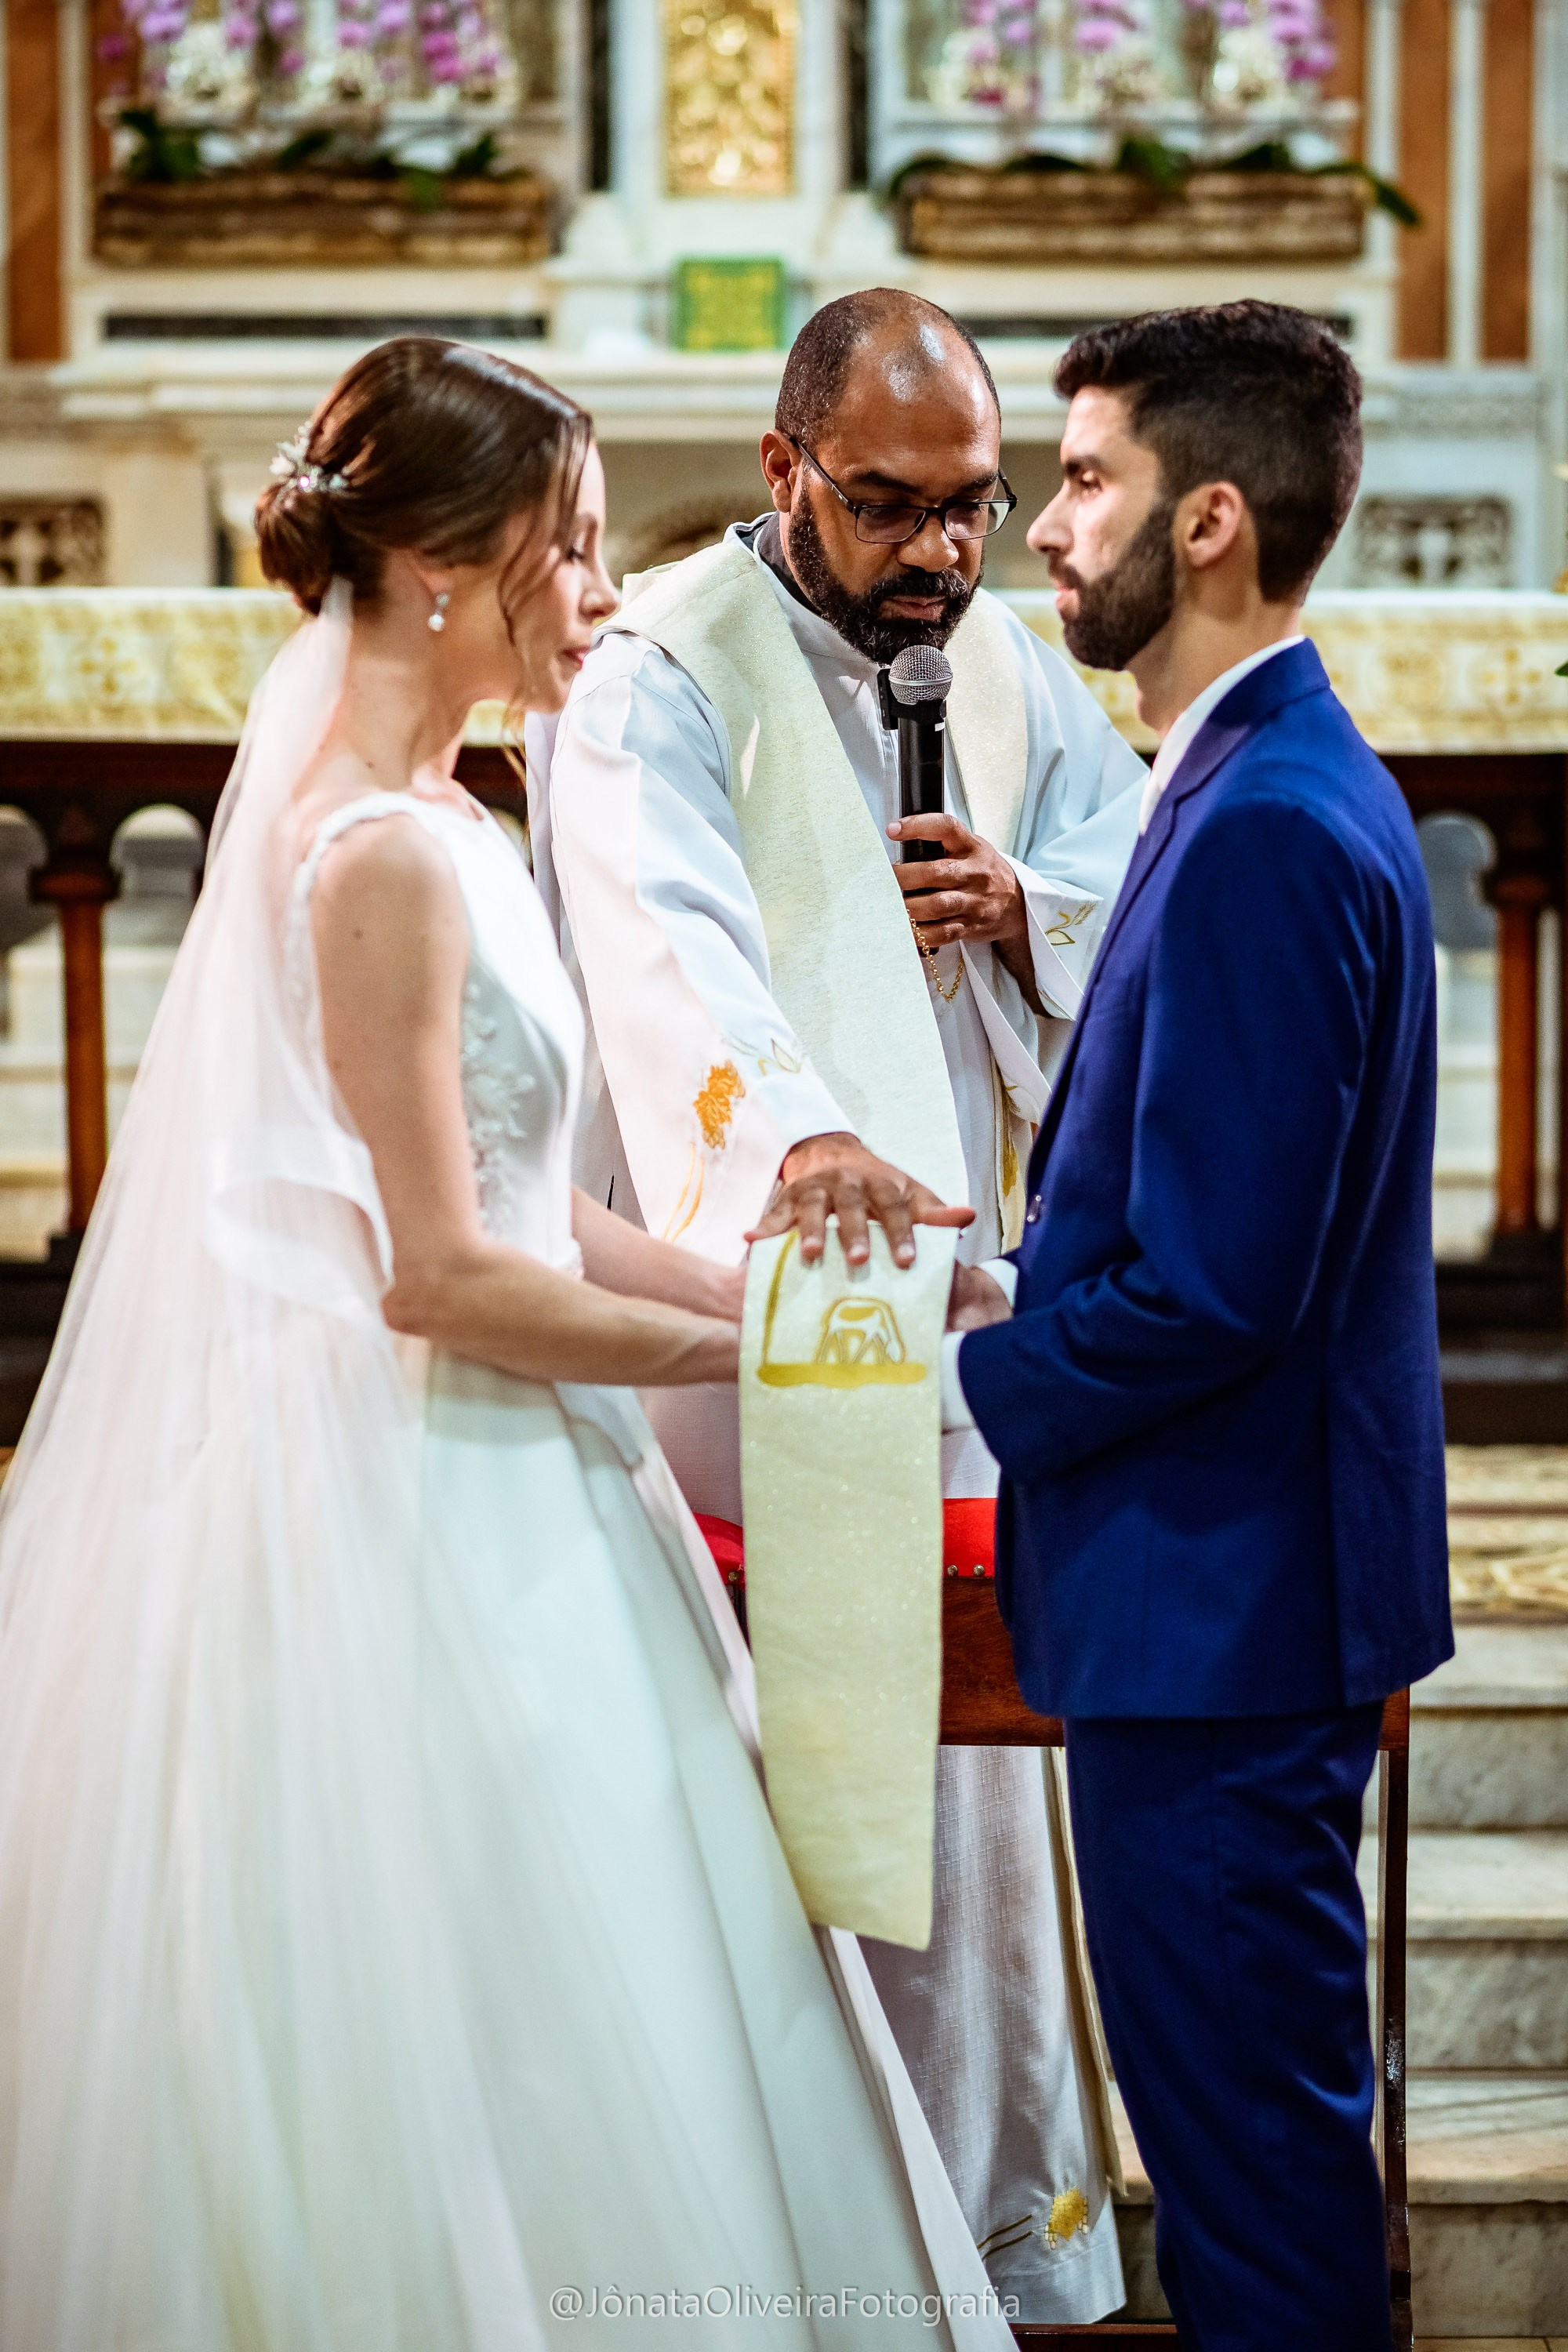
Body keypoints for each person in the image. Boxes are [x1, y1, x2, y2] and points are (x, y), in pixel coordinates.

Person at [0, 338, 1018, 2351]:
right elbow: (441, 1278)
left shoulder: (451, 814)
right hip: (416, 1488)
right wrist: (749, 1375)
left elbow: (539, 1192)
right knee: (475, 2011)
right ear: (452, 569)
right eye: (567, 549)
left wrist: (787, 1305)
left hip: (535, 1469)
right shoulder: (372, 853)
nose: (603, 592)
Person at [530, 287, 1145, 2325]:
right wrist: (795, 1145)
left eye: (974, 505)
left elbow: (1117, 868)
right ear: (787, 472)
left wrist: (1028, 911)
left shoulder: (1011, 663)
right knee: (792, 1759)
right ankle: (797, 2239)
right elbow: (662, 930)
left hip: (964, 1306)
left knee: (963, 1802)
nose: (944, 553)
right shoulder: (662, 673)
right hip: (756, 1309)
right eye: (889, 507)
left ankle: (984, 2233)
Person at [947, 301, 1454, 2350]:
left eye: (1083, 480)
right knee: (1250, 2154)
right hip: (1230, 1597)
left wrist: (969, 1371)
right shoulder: (1254, 770)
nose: (1040, 530)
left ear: (1214, 519)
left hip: (1224, 1615)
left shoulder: (1257, 820)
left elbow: (1225, 1289)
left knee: (1252, 2194)